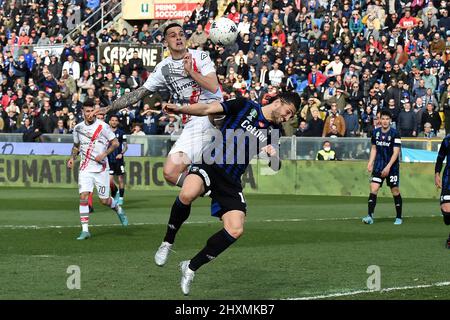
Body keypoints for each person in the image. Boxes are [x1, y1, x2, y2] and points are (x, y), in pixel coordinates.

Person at [155, 92, 301, 295]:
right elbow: (207, 109)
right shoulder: (244, 106)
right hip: (211, 163)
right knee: (188, 193)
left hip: (231, 181)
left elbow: (275, 166)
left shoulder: (274, 131)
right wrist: (180, 109)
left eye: (290, 116)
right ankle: (167, 242)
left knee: (235, 229)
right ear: (279, 102)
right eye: (288, 112)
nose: (287, 118)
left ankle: (190, 267)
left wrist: (274, 156)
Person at [95, 23, 222, 188]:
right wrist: (109, 108)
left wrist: (190, 71)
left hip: (211, 113)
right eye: (173, 35)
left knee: (219, 118)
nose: (178, 37)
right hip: (192, 122)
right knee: (170, 173)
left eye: (181, 34)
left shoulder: (200, 56)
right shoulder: (163, 68)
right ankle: (213, 190)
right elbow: (138, 93)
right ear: (166, 42)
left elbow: (213, 86)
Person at [67, 100, 128, 240]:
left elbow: (115, 143)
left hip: (101, 169)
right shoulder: (78, 128)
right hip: (85, 168)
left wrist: (104, 154)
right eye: (87, 111)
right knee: (83, 196)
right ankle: (85, 230)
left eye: (92, 111)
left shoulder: (103, 126)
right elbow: (76, 146)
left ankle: (118, 209)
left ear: (95, 111)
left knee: (104, 201)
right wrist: (72, 158)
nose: (90, 114)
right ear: (82, 112)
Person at [363, 110, 403, 225]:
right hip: (378, 166)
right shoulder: (375, 132)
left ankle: (399, 217)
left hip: (392, 167)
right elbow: (374, 148)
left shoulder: (395, 133)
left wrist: (388, 167)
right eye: (383, 119)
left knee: (395, 190)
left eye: (387, 119)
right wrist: (370, 162)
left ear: (390, 120)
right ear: (380, 120)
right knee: (374, 189)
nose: (385, 121)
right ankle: (369, 216)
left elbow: (396, 152)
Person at [108, 115, 128, 206]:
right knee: (110, 181)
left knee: (120, 179)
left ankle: (121, 198)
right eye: (112, 120)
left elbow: (125, 146)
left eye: (116, 120)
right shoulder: (106, 132)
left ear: (118, 122)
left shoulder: (121, 133)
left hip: (118, 159)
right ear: (110, 121)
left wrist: (121, 153)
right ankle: (115, 192)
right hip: (109, 159)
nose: (114, 122)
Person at [434, 133, 450, 248]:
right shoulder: (447, 139)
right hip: (448, 179)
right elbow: (440, 157)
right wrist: (437, 174)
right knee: (447, 212)